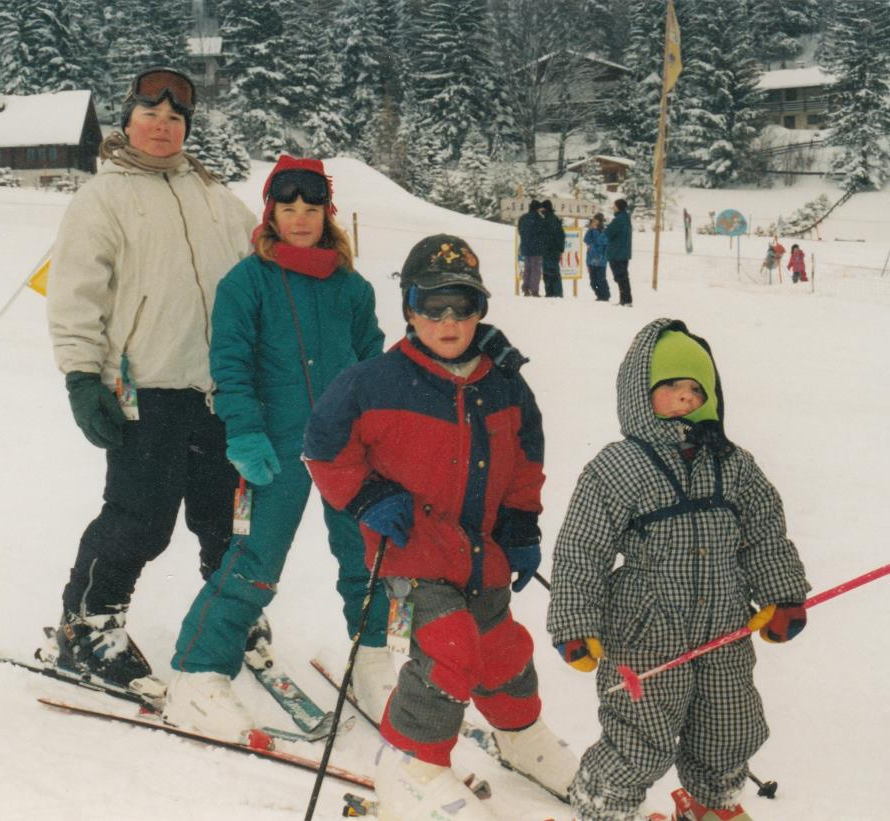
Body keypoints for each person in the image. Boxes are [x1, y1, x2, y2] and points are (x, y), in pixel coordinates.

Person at [304, 235, 579, 820]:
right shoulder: (372, 382)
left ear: (481, 309)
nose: (449, 320)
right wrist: (369, 497)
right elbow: (324, 450)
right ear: (408, 308)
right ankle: (413, 763)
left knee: (501, 648)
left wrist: (521, 525)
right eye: (433, 305)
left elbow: (526, 461)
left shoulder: (505, 383)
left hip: (481, 552)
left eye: (462, 304)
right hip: (410, 551)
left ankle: (521, 735)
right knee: (448, 648)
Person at [163, 155, 396, 740]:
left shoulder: (352, 288)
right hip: (274, 443)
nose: (299, 217)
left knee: (365, 558)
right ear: (270, 212)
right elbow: (231, 365)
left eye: (311, 207)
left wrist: (384, 441)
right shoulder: (247, 283)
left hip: (346, 449)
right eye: (287, 206)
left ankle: (370, 663)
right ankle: (197, 675)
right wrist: (242, 431)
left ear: (327, 214)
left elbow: (373, 368)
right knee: (256, 562)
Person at [45, 67, 257, 699]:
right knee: (140, 519)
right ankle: (87, 627)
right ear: (127, 120)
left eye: (175, 118)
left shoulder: (218, 198)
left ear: (187, 128)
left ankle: (228, 613)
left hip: (219, 391)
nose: (162, 126)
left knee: (226, 518)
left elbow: (265, 266)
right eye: (150, 115)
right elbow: (76, 293)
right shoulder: (101, 199)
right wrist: (83, 377)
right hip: (145, 391)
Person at [547, 318, 811, 821]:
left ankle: (712, 803)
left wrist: (783, 595)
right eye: (671, 388)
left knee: (730, 725)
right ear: (640, 392)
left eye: (697, 389)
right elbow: (583, 548)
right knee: (639, 734)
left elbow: (762, 533)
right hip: (647, 632)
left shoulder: (733, 463)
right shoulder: (618, 466)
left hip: (726, 626)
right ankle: (604, 806)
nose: (686, 398)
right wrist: (574, 623)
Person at [604, 197, 633, 306]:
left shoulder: (619, 219)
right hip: (623, 252)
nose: (613, 207)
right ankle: (625, 300)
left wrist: (606, 227)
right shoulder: (626, 218)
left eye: (614, 206)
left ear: (618, 207)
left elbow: (608, 233)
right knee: (623, 276)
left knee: (620, 277)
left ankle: (626, 300)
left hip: (617, 253)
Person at [518, 199, 545, 296]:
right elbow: (542, 233)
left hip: (525, 246)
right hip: (537, 248)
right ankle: (534, 290)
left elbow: (520, 231)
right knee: (536, 269)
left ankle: (525, 288)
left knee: (527, 268)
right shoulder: (539, 219)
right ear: (538, 208)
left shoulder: (523, 218)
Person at [541, 199, 566, 298]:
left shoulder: (547, 220)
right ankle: (555, 292)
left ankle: (552, 292)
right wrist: (560, 249)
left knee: (549, 272)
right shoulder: (554, 219)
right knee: (553, 272)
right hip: (554, 250)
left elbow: (546, 237)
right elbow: (561, 235)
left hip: (549, 250)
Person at [584, 213, 611, 301]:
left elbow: (600, 242)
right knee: (593, 282)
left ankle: (605, 296)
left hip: (600, 260)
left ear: (600, 222)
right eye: (593, 220)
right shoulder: (591, 231)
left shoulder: (604, 232)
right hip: (590, 259)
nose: (594, 222)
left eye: (596, 220)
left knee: (601, 280)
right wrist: (590, 229)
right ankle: (599, 295)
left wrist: (595, 231)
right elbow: (586, 240)